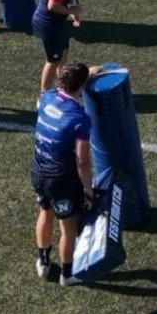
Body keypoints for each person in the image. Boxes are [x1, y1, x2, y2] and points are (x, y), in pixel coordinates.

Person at [32, 60, 96, 286]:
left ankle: (43, 261)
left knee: (45, 212)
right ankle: (67, 275)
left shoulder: (47, 96)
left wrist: (88, 73)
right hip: (62, 180)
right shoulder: (79, 118)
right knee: (68, 228)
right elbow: (82, 161)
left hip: (39, 171)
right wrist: (88, 190)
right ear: (81, 86)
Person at [33, 0, 92, 95]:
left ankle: (65, 87)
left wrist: (71, 12)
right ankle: (44, 94)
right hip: (48, 24)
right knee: (53, 60)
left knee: (63, 53)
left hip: (57, 23)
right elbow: (52, 5)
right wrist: (71, 11)